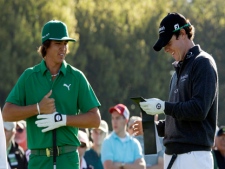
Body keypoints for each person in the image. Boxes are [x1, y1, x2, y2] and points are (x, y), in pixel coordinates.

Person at [2, 20, 101, 169]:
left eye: (66, 44)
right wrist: (37, 108)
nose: (64, 48)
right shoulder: (29, 76)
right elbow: (7, 114)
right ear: (46, 46)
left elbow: (95, 119)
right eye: (58, 44)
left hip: (68, 160)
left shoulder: (76, 77)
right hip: (38, 160)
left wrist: (63, 119)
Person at [139, 12, 218, 169]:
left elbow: (199, 109)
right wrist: (152, 127)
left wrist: (163, 106)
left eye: (168, 42)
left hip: (194, 157)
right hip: (173, 157)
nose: (166, 49)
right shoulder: (176, 74)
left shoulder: (203, 63)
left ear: (182, 34)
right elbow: (178, 118)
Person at [101, 103, 146, 169]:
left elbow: (141, 167)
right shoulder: (107, 142)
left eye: (117, 118)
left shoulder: (134, 143)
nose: (114, 121)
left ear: (126, 120)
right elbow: (109, 167)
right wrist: (132, 166)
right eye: (113, 118)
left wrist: (121, 165)